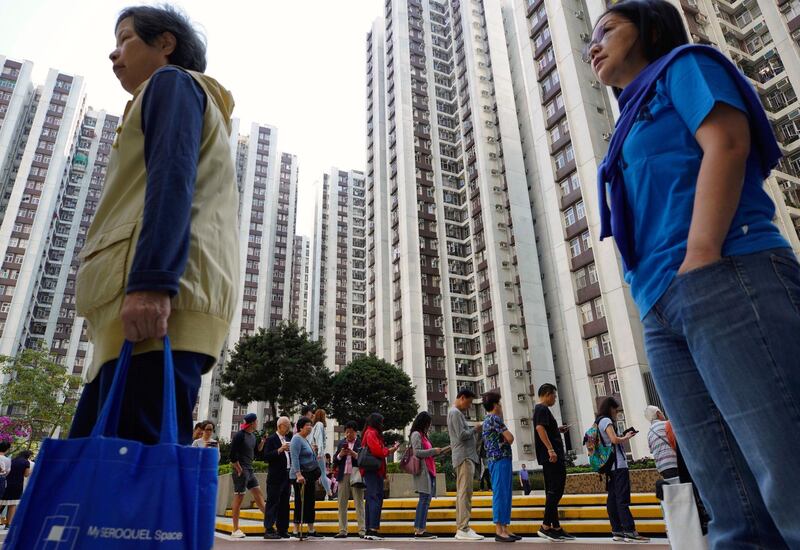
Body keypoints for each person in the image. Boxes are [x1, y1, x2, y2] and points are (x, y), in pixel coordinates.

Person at [589, 1, 800, 547]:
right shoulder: (627, 120)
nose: (594, 43)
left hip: (727, 272)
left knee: (787, 467)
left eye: (607, 29)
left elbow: (727, 143)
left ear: (650, 27)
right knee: (725, 497)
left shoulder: (685, 65)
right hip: (661, 306)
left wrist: (701, 253)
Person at [69, 5, 239, 447]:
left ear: (165, 43)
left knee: (131, 486)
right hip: (139, 307)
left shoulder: (172, 84)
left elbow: (171, 179)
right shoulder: (164, 97)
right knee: (112, 478)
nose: (114, 53)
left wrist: (151, 283)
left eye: (125, 38)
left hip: (157, 303)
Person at [596, 398, 648, 543]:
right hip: (618, 465)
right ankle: (630, 531)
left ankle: (617, 531)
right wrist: (626, 436)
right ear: (610, 408)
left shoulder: (598, 421)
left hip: (610, 467)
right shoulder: (606, 421)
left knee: (612, 498)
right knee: (622, 499)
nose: (616, 412)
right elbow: (613, 439)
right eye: (615, 409)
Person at [533, 383, 574, 541]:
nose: (555, 399)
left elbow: (546, 428)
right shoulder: (542, 408)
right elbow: (540, 429)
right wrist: (550, 449)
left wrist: (558, 430)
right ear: (548, 394)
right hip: (551, 457)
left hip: (551, 456)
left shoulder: (542, 410)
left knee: (553, 491)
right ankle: (545, 526)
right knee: (556, 490)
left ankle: (555, 527)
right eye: (554, 396)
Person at [481, 392, 519, 543]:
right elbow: (510, 438)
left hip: (496, 460)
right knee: (501, 493)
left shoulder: (487, 420)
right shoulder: (495, 419)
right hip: (500, 459)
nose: (501, 407)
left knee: (504, 492)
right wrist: (505, 437)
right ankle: (499, 530)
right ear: (496, 405)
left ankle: (504, 528)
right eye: (500, 404)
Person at [447, 387, 484, 540]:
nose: (469, 406)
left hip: (463, 456)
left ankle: (463, 527)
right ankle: (463, 527)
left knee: (463, 492)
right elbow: (462, 435)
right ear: (462, 397)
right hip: (464, 457)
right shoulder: (455, 413)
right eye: (468, 403)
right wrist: (476, 429)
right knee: (465, 492)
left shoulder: (455, 413)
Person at [361, 413, 400, 541]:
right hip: (373, 470)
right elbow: (377, 450)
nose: (382, 425)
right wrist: (388, 451)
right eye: (381, 422)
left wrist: (388, 450)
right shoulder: (371, 433)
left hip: (372, 470)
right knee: (375, 498)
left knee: (371, 498)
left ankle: (369, 529)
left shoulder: (370, 432)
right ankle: (372, 529)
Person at [229, 413, 266, 539]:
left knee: (258, 494)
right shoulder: (240, 435)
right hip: (241, 470)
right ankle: (235, 529)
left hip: (250, 470)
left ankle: (270, 523)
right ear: (252, 423)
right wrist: (239, 468)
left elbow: (256, 452)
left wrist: (262, 442)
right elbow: (232, 455)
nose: (257, 423)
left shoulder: (253, 436)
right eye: (256, 421)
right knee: (239, 498)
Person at [409, 411, 442, 539]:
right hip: (423, 471)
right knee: (424, 500)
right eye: (428, 423)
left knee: (426, 500)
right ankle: (419, 530)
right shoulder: (416, 434)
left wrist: (437, 452)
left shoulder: (424, 435)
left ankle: (420, 529)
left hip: (429, 470)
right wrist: (433, 451)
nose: (429, 426)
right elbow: (417, 452)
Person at [290, 417, 322, 540]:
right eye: (307, 424)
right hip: (301, 476)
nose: (310, 426)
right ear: (301, 427)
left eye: (310, 424)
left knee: (310, 502)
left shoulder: (305, 439)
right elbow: (295, 458)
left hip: (309, 476)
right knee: (300, 502)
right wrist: (298, 474)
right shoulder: (296, 439)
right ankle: (296, 529)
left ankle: (311, 529)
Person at [333, 421, 365, 539]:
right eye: (346, 432)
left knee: (359, 502)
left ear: (355, 432)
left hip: (356, 475)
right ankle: (342, 530)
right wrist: (340, 454)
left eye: (351, 432)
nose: (348, 434)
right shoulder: (342, 443)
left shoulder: (360, 442)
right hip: (343, 475)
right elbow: (335, 460)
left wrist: (353, 454)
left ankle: (362, 530)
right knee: (341, 503)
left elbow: (363, 458)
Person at [262, 416, 292, 540]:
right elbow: (266, 456)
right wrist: (280, 450)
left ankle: (282, 529)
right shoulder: (271, 439)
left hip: (287, 475)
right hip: (275, 476)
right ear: (280, 426)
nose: (288, 428)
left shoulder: (288, 439)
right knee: (273, 503)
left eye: (289, 425)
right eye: (287, 425)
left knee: (285, 503)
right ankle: (269, 529)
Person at [644, 406, 678, 483]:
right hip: (674, 462)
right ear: (658, 413)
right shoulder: (667, 424)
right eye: (661, 412)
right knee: (683, 488)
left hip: (662, 467)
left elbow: (652, 451)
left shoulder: (649, 433)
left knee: (673, 490)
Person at [0, 451, 32, 528]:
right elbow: (26, 474)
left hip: (7, 483)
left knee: (2, 502)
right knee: (12, 504)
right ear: (28, 456)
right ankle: (8, 524)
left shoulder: (12, 460)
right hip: (17, 485)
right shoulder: (26, 462)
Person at [309, 409, 332, 498]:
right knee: (322, 473)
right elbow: (319, 439)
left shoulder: (313, 426)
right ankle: (329, 493)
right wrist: (320, 453)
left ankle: (328, 493)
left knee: (314, 473)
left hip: (313, 452)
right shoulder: (320, 424)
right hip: (318, 452)